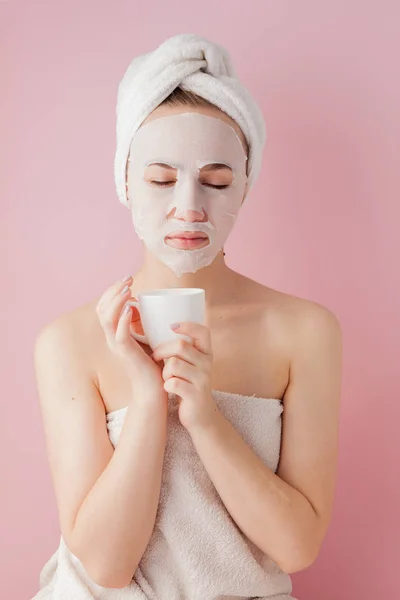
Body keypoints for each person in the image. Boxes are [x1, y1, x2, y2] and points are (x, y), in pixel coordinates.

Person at [32, 34, 342, 600]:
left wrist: (203, 414)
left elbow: (297, 547)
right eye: (160, 179)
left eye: (217, 181)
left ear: (244, 187)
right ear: (125, 182)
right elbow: (105, 565)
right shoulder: (69, 342)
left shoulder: (304, 331)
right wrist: (149, 398)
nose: (190, 206)